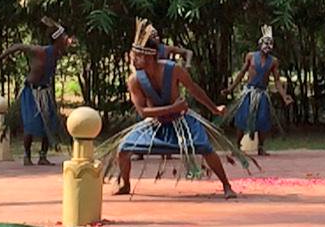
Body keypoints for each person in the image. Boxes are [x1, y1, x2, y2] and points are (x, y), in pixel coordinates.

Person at [104, 20, 249, 198]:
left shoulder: (174, 70)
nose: (132, 59)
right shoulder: (134, 80)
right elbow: (143, 112)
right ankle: (125, 184)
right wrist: (172, 107)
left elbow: (194, 90)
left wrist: (214, 109)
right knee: (123, 149)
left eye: (136, 55)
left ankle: (226, 185)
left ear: (149, 56)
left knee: (205, 148)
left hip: (182, 121)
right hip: (155, 125)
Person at [0, 17, 74, 166]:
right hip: (31, 92)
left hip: (45, 91)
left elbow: (70, 45)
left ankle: (42, 156)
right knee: (31, 124)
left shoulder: (58, 52)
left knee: (49, 123)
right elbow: (18, 46)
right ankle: (27, 156)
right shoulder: (40, 51)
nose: (66, 39)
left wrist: (62, 34)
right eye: (63, 37)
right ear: (57, 39)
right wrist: (0, 57)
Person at [226, 25, 293, 155]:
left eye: (270, 44)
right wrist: (231, 88)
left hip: (262, 94)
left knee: (263, 120)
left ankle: (261, 147)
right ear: (260, 43)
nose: (268, 46)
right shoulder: (250, 56)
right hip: (249, 92)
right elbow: (241, 73)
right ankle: (237, 146)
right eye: (266, 43)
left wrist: (285, 96)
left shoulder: (273, 61)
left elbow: (277, 80)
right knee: (242, 119)